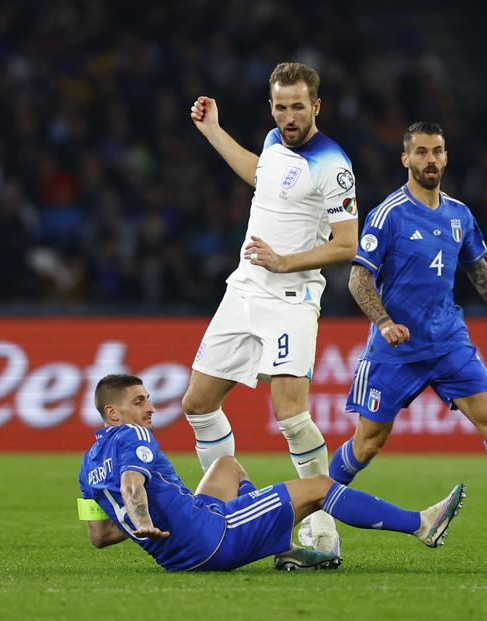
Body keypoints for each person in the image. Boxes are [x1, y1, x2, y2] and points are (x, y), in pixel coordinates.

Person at [327, 122, 487, 547]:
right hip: (395, 350)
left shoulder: (459, 215)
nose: (430, 160)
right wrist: (383, 322)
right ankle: (317, 504)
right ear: (406, 159)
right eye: (421, 152)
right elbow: (358, 280)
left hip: (449, 341)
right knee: (367, 443)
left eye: (437, 151)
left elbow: (479, 271)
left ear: (446, 157)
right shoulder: (388, 214)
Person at [184, 62, 358, 554]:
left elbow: (347, 244)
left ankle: (323, 528)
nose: (289, 117)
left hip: (290, 298)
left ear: (316, 106)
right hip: (243, 290)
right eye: (280, 107)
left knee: (291, 415)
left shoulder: (334, 165)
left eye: (298, 107)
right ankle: (229, 509)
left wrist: (286, 262)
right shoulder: (274, 142)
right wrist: (213, 131)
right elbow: (258, 175)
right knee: (197, 404)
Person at [78, 375, 465, 572]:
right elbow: (132, 484)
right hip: (211, 537)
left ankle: (278, 545)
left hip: (180, 550)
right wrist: (145, 519)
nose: (150, 407)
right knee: (319, 485)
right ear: (113, 413)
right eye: (139, 401)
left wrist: (147, 530)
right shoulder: (132, 434)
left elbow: (100, 535)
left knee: (226, 466)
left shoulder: (86, 466)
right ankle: (421, 524)